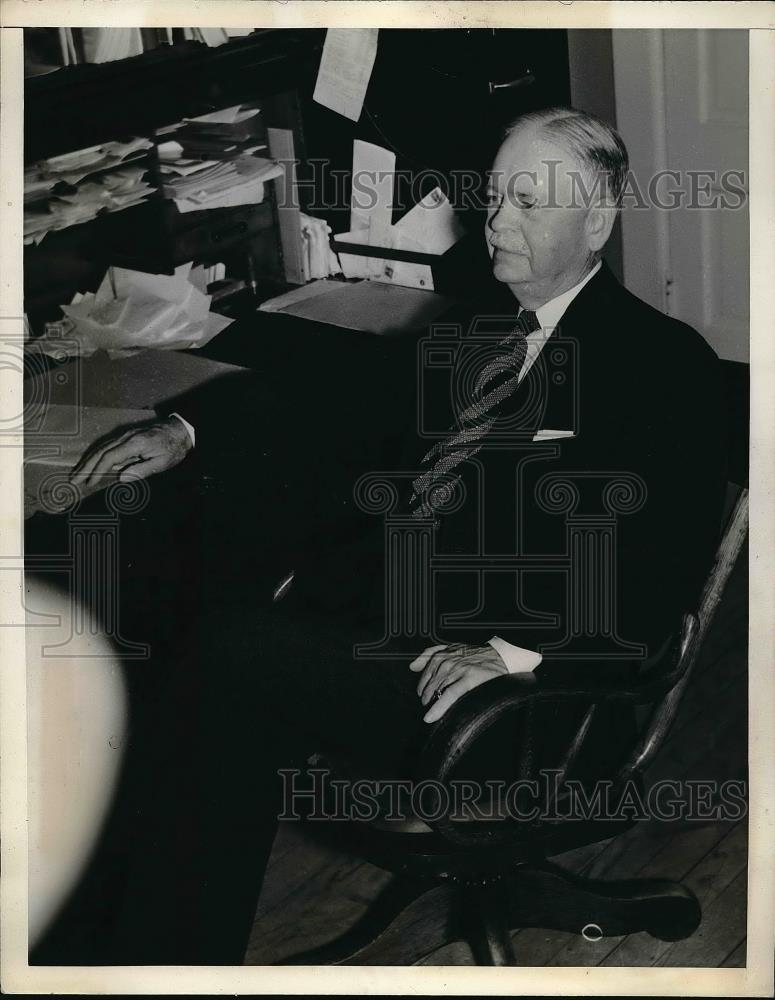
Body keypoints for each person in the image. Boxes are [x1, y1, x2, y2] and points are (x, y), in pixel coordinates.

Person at [38, 107, 728, 965]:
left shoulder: (663, 368)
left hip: (516, 701)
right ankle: (89, 940)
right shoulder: (484, 332)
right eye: (493, 197)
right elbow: (343, 408)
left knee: (228, 657)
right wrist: (184, 435)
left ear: (597, 221)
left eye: (529, 202)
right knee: (161, 581)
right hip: (399, 626)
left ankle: (154, 958)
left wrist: (516, 654)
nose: (498, 222)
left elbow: (655, 575)